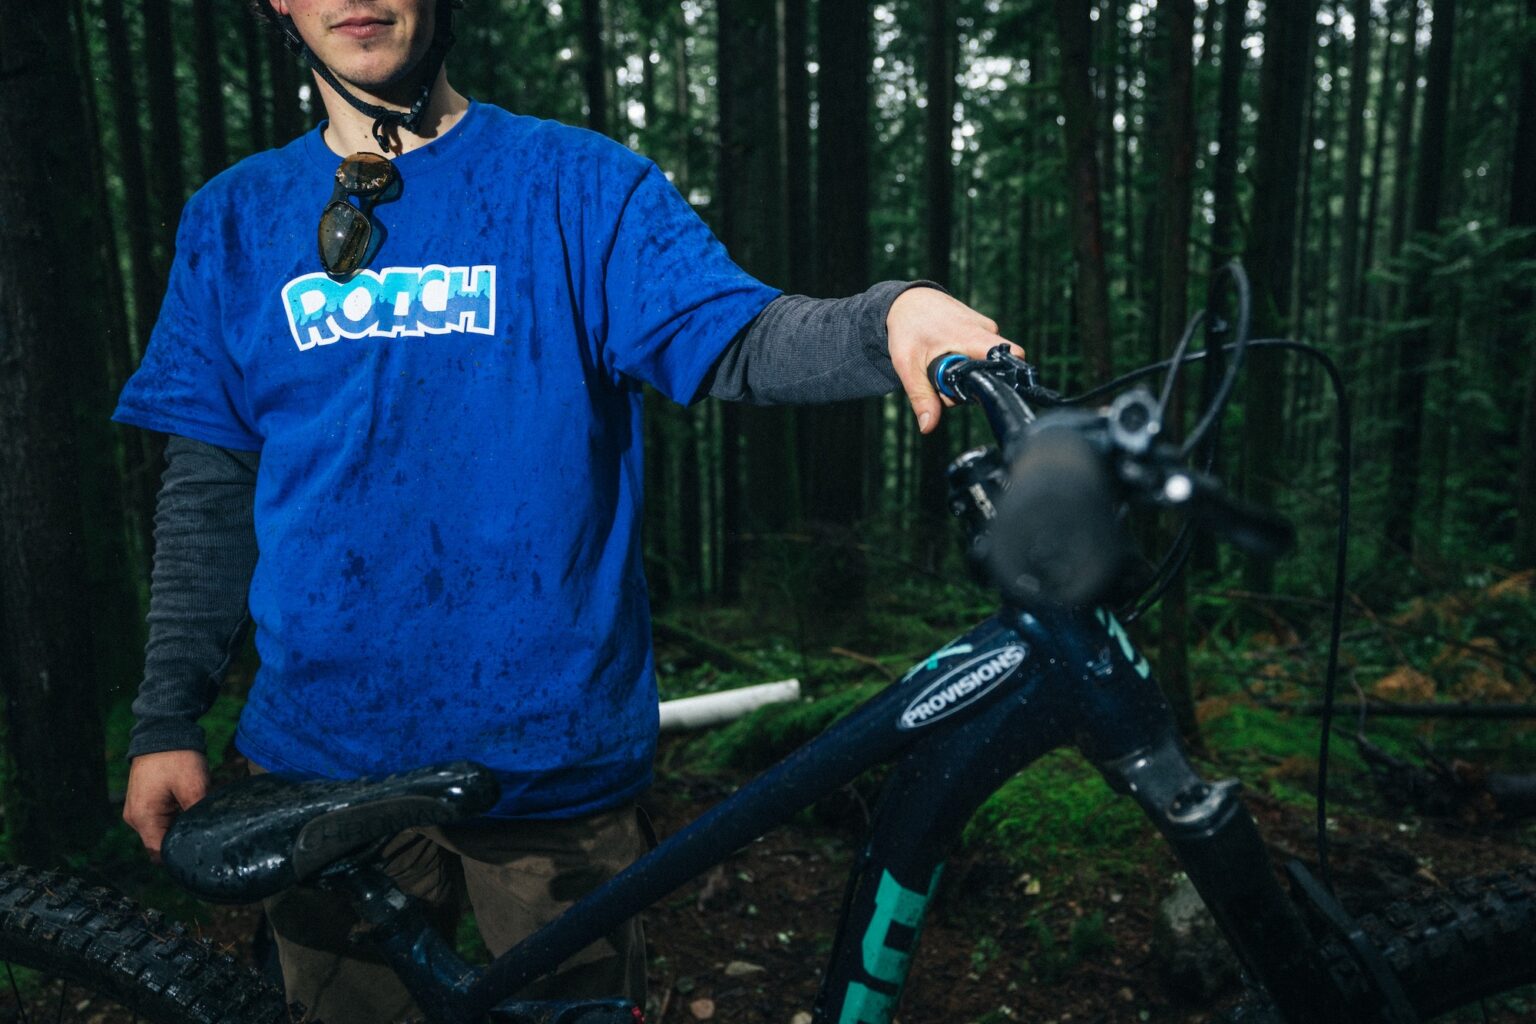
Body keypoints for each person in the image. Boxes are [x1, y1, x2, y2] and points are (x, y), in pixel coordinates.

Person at [114, 0, 1016, 1020]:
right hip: (320, 774)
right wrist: (167, 716)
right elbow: (209, 491)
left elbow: (738, 336)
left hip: (548, 767)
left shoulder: (581, 186)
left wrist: (890, 315)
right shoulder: (231, 220)